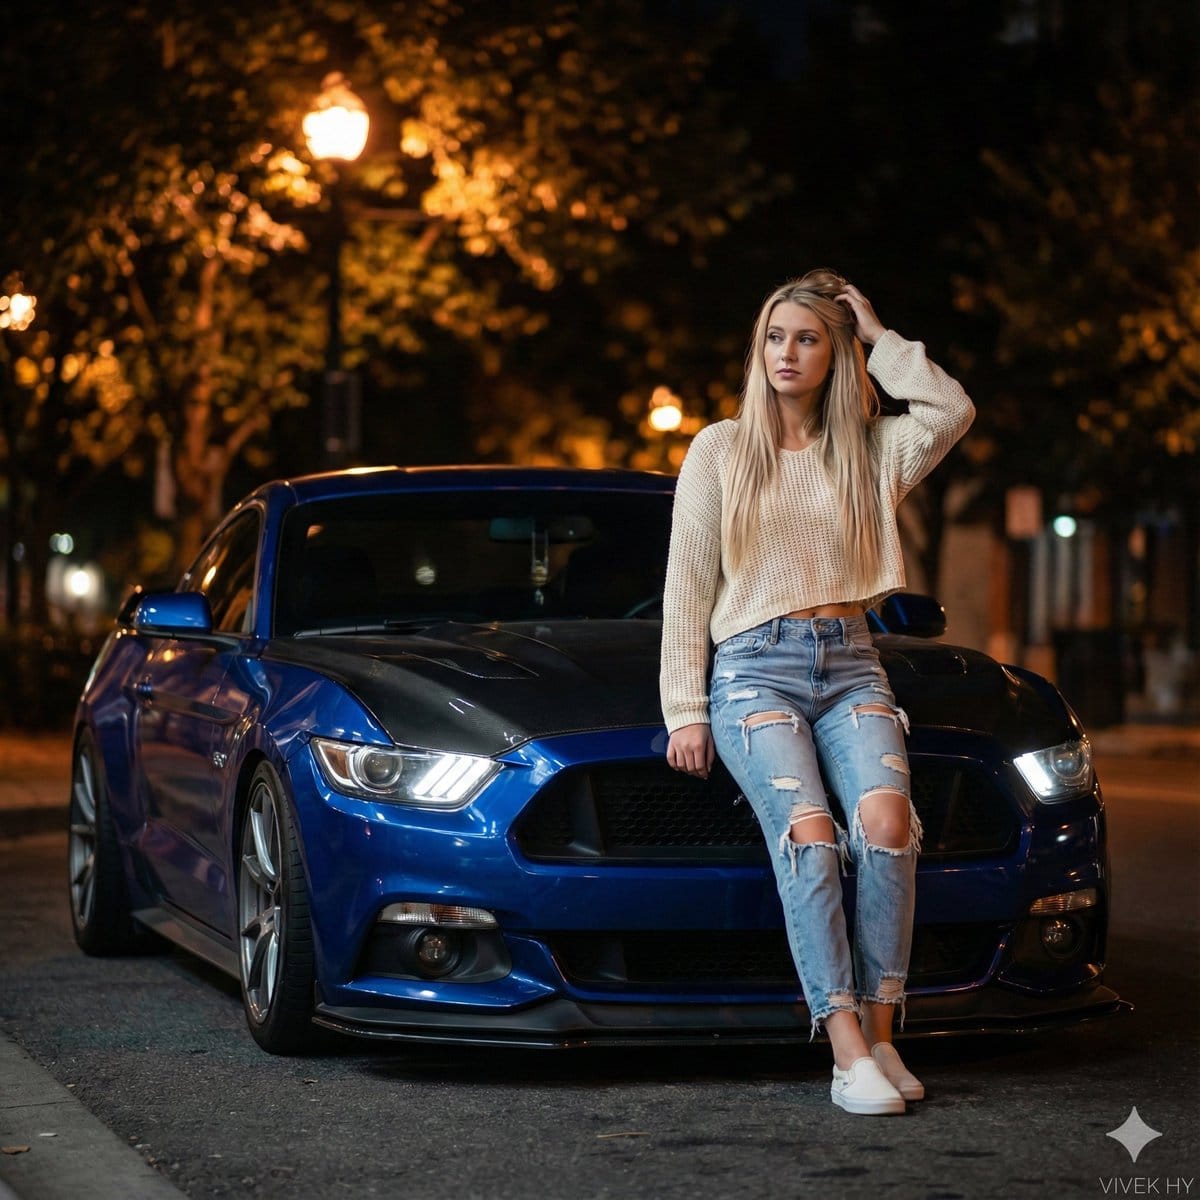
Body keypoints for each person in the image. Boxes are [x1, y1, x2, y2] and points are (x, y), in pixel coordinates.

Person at [659, 269, 975, 1115]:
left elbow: (951, 412)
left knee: (888, 825)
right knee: (808, 834)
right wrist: (685, 710)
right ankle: (842, 1047)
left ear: (836, 356)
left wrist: (879, 333)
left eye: (808, 337)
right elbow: (688, 585)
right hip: (753, 669)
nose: (787, 352)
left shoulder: (869, 452)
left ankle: (880, 1031)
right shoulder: (720, 449)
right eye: (774, 336)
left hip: (850, 662)